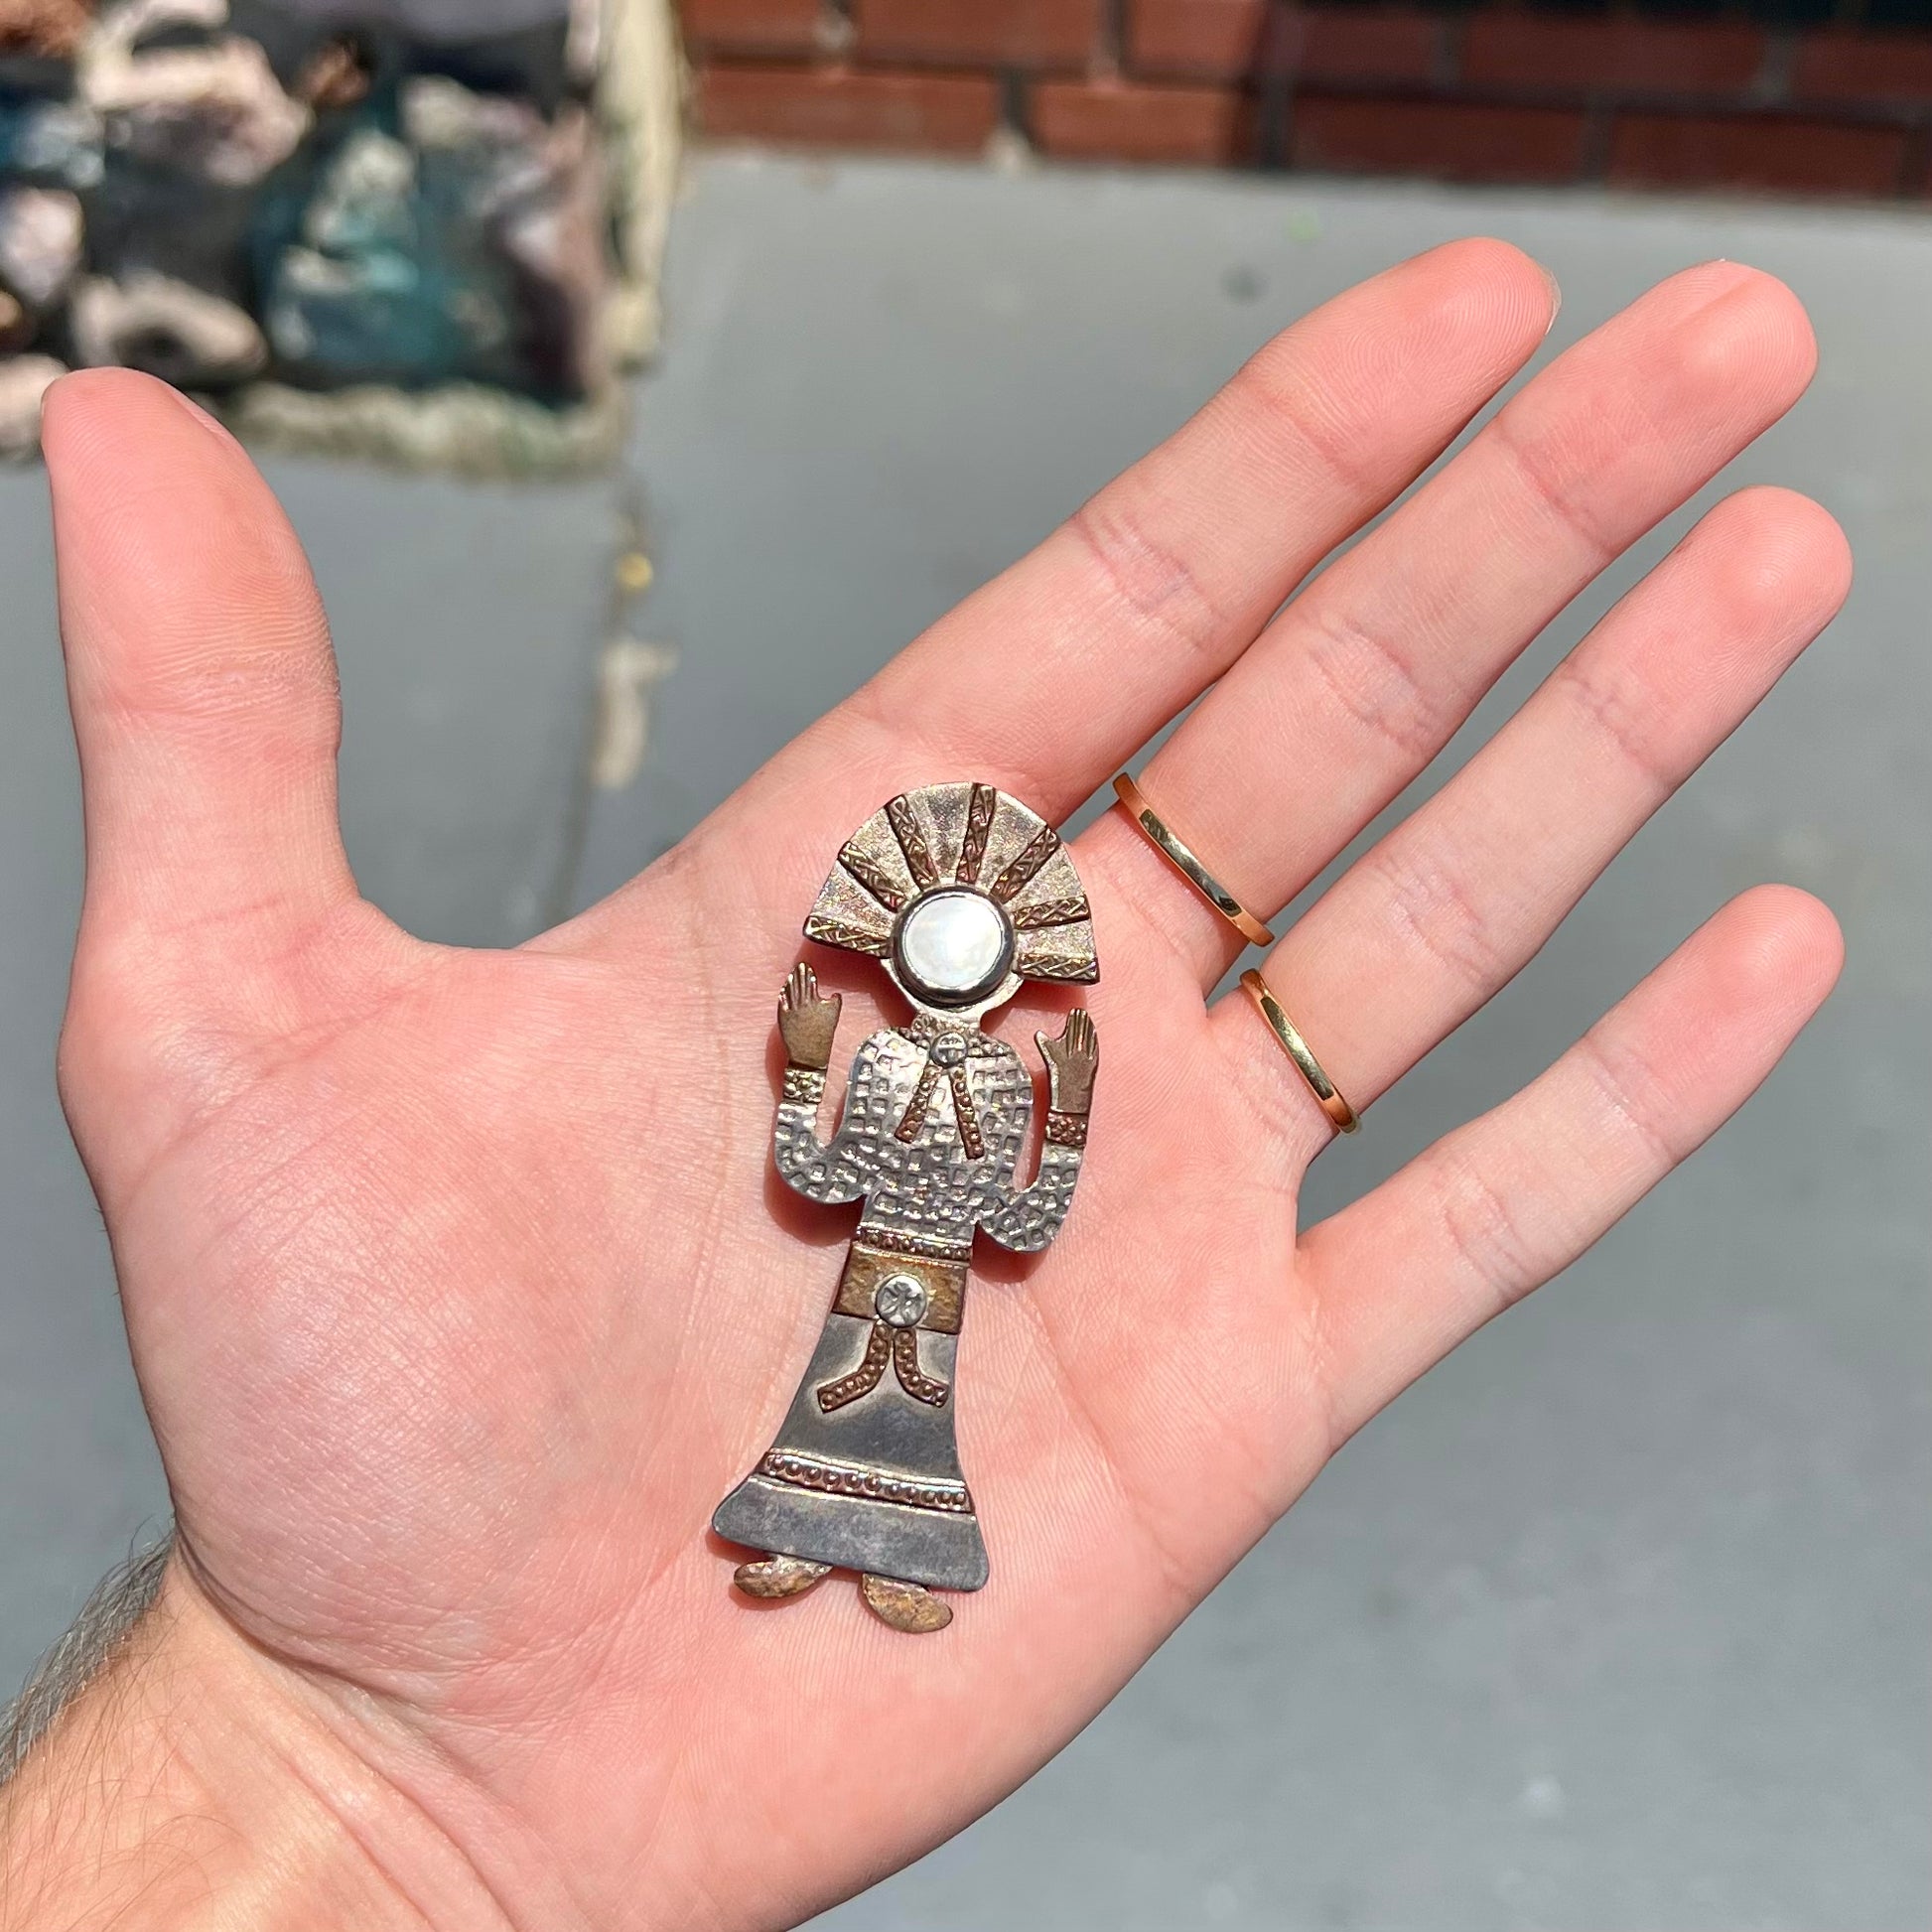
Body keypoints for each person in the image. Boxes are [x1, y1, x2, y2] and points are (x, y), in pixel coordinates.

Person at [0, 242, 1846, 1929]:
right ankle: (827, 1532)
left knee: (900, 1401)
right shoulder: (878, 1044)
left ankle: (873, 1539)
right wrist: (315, 1758)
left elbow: (1013, 1206)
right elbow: (817, 1159)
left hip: (927, 1284)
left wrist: (1027, 1129)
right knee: (857, 1391)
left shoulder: (996, 1068)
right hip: (885, 1269)